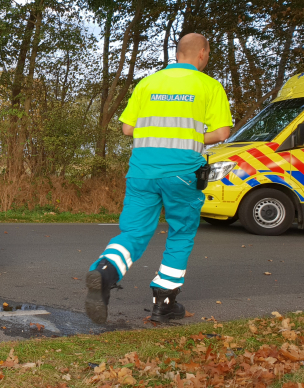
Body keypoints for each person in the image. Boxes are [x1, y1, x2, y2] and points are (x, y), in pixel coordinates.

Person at [84, 33, 233, 324]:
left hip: (142, 171)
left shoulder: (148, 83)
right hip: (183, 172)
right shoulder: (209, 86)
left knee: (133, 233)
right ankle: (164, 302)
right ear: (202, 53)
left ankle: (104, 273)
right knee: (180, 232)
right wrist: (190, 137)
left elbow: (128, 129)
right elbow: (223, 133)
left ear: (178, 53)